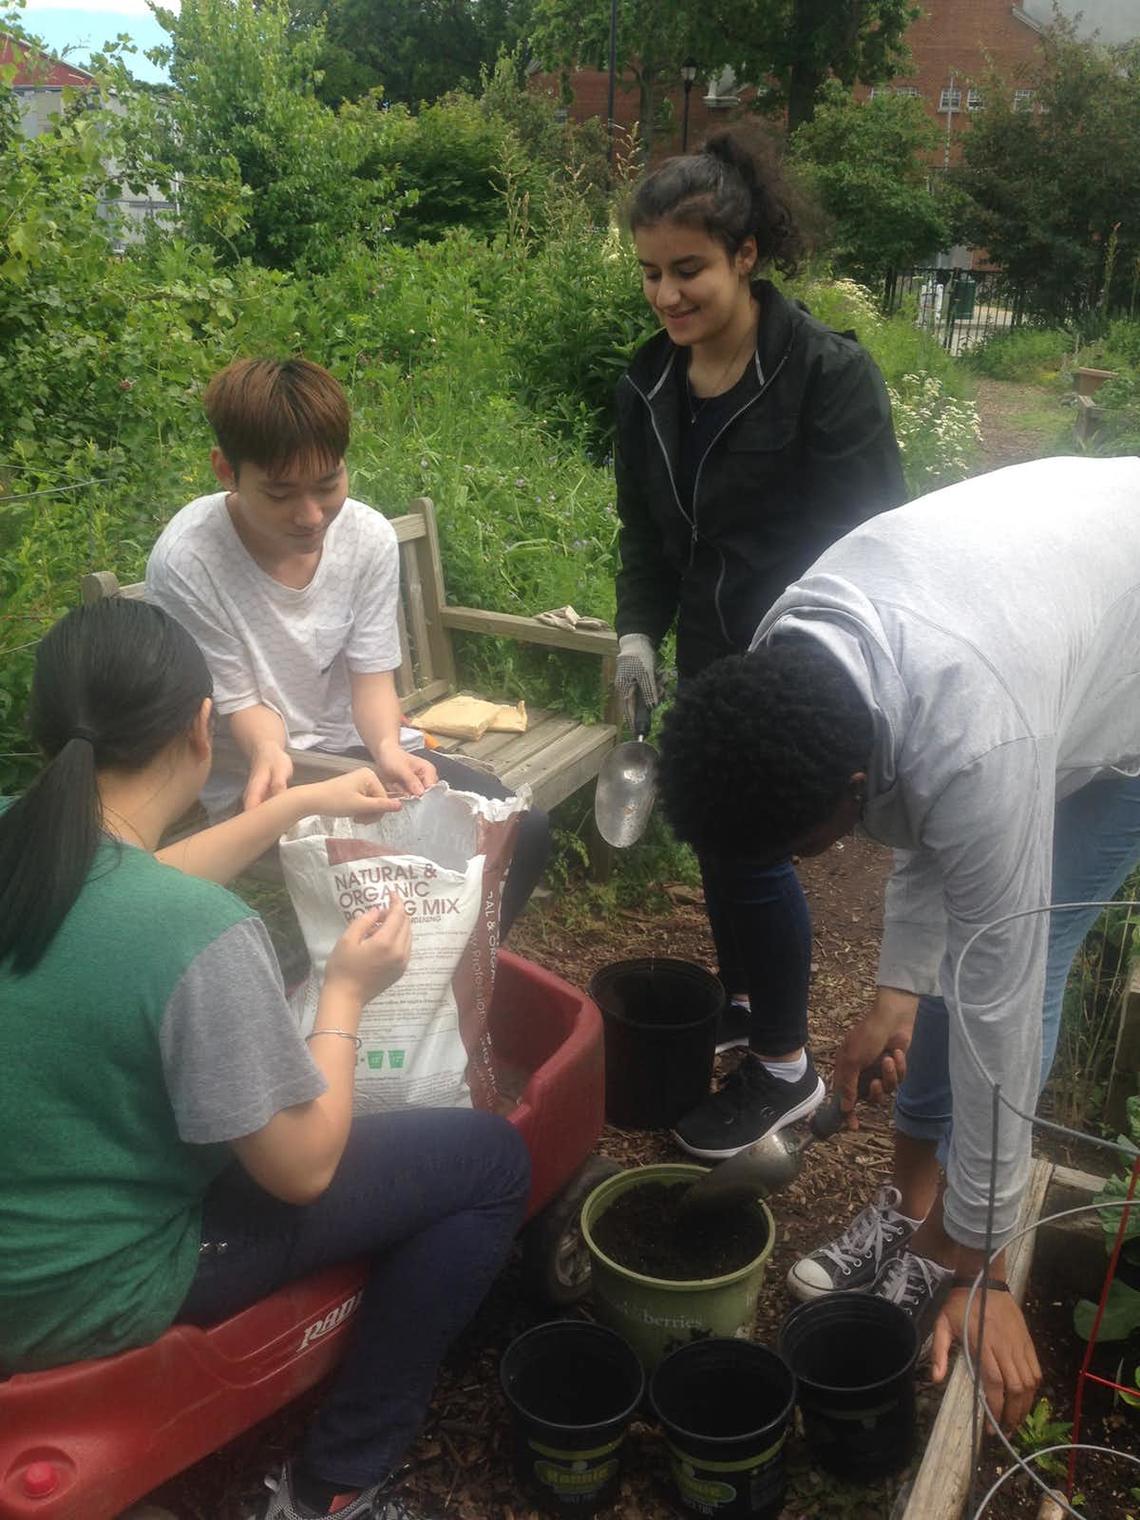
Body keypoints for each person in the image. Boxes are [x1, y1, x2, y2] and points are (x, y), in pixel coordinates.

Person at [0, 600, 531, 1520]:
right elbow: (302, 1168)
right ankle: (335, 1485)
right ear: (203, 728)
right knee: (490, 1162)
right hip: (81, 1291)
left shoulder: (23, 838)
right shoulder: (200, 939)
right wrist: (345, 995)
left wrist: (299, 799)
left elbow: (125, 888)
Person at [656, 453, 1140, 1432]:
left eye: (802, 848)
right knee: (948, 964)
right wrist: (895, 991)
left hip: (1121, 697)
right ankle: (918, 1212)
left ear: (847, 786)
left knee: (1019, 955)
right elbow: (922, 806)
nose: (809, 859)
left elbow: (996, 976)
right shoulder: (788, 647)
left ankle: (958, 1246)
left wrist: (992, 1260)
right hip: (1033, 630)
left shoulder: (975, 730)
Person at [611, 129, 906, 1160]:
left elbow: (879, 540)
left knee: (751, 848)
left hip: (801, 673)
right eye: (650, 272)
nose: (666, 295)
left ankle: (785, 1069)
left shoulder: (827, 375)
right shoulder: (648, 388)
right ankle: (744, 998)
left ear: (744, 255)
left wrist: (802, 672)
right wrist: (637, 631)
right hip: (709, 651)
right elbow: (644, 535)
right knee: (715, 841)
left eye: (687, 269)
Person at [145, 356, 548, 937]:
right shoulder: (189, 559)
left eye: (328, 484)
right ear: (225, 470)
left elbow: (371, 679)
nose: (311, 516)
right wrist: (269, 753)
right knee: (418, 870)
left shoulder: (367, 538)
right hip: (269, 778)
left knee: (522, 830)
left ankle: (448, 986)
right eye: (280, 493)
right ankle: (387, 991)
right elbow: (240, 703)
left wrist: (387, 746)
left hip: (359, 755)